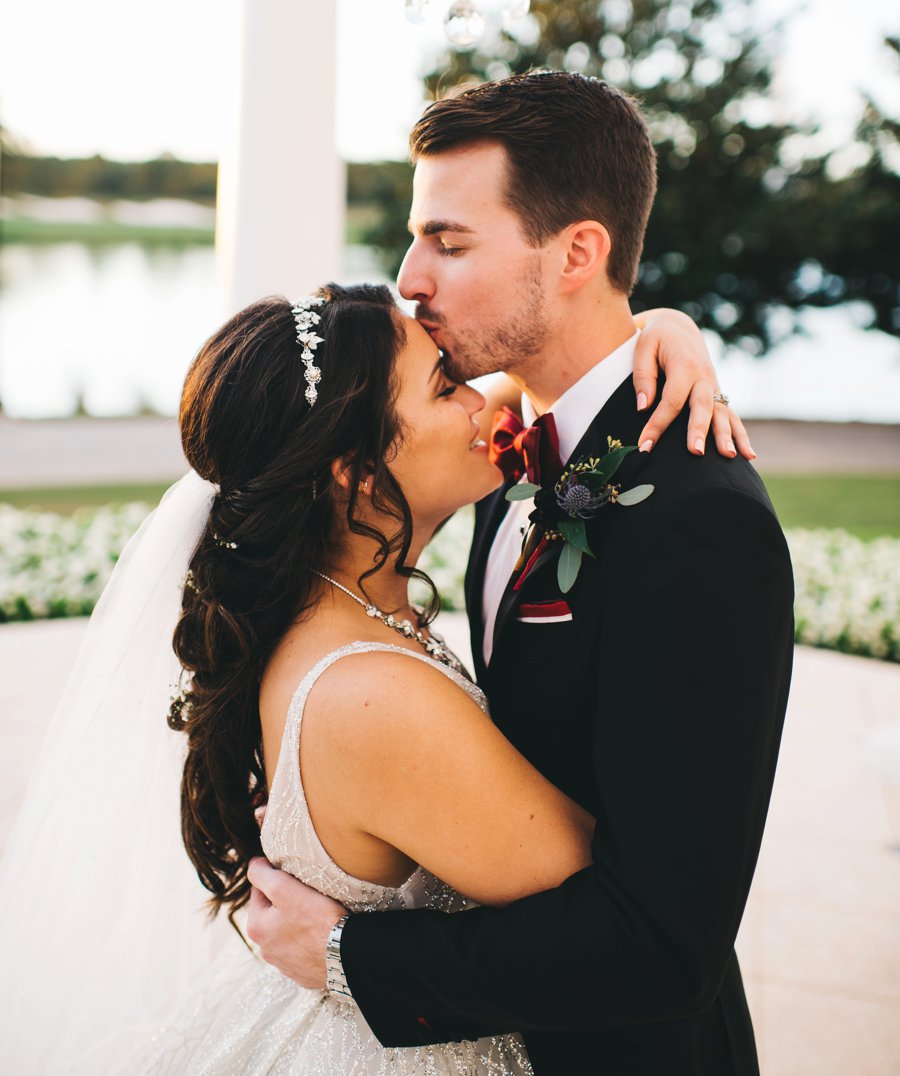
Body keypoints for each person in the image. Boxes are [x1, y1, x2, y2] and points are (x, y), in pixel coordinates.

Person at [0, 276, 747, 1074]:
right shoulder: (368, 695)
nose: (488, 407)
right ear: (354, 471)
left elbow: (550, 377)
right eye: (446, 385)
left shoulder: (328, 602)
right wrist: (347, 954)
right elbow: (621, 915)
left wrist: (658, 329)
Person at [244, 72, 795, 1076]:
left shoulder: (702, 521)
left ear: (579, 252)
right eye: (416, 236)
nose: (410, 277)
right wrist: (661, 323)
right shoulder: (500, 459)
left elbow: (667, 938)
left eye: (450, 243)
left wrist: (348, 955)